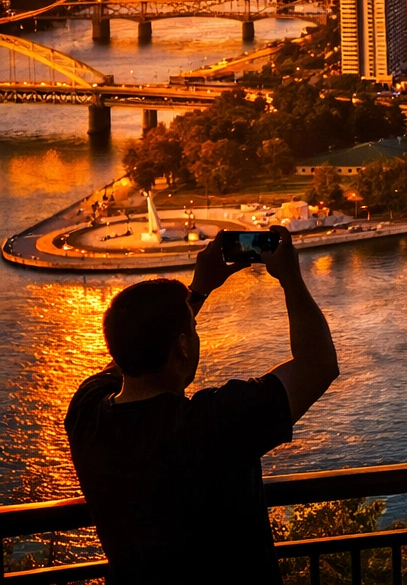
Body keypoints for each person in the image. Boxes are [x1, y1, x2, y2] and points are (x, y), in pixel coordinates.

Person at [65, 230, 339, 585]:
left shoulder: (85, 413)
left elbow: (131, 350)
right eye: (192, 330)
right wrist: (290, 278)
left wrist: (196, 293)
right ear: (181, 346)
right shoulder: (213, 424)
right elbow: (319, 364)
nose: (196, 334)